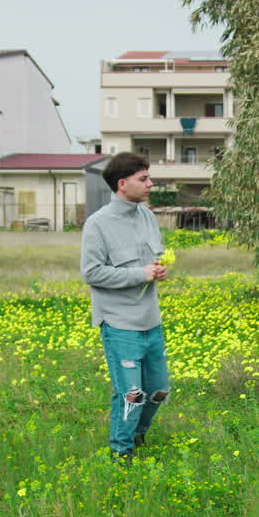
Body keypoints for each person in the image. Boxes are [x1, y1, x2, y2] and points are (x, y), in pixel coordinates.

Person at [80, 152, 170, 461]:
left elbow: (151, 261)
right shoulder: (98, 224)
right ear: (122, 184)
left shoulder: (148, 217)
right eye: (143, 179)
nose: (150, 184)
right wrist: (139, 274)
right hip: (120, 324)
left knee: (158, 391)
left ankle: (136, 436)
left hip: (151, 321)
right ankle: (121, 456)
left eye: (149, 177)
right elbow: (91, 273)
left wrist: (157, 269)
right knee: (131, 395)